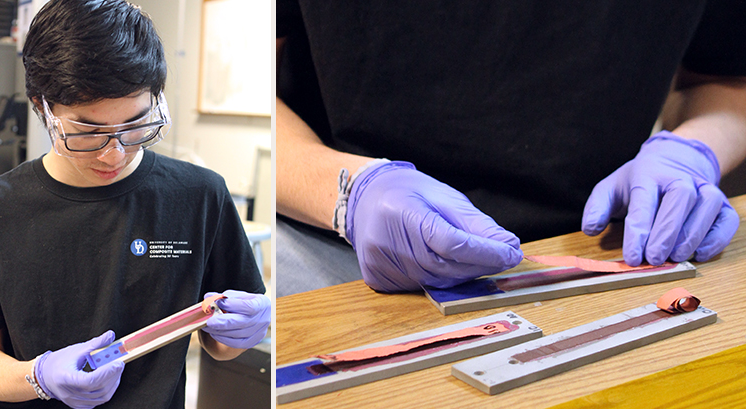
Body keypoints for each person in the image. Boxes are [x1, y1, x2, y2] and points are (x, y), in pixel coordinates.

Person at [276, 1, 746, 296]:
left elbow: (725, 77)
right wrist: (348, 193)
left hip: (604, 245)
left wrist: (691, 151)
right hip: (340, 241)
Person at [0, 0, 270, 409]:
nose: (114, 154)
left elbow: (219, 344)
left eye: (136, 125)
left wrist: (241, 332)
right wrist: (39, 377)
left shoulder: (200, 194)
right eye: (87, 132)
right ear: (40, 106)